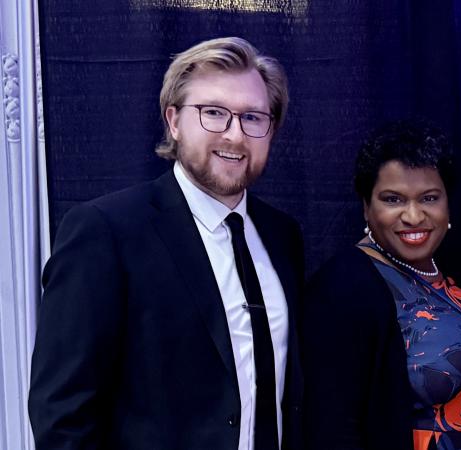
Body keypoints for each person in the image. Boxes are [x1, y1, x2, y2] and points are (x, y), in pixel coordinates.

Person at [28, 37, 301, 450]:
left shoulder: (283, 236)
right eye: (213, 113)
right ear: (174, 121)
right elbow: (62, 415)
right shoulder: (106, 232)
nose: (235, 134)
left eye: (252, 117)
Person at [302, 120, 461, 450]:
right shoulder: (343, 287)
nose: (413, 216)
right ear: (366, 207)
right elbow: (331, 429)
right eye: (393, 199)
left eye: (429, 198)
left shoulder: (451, 277)